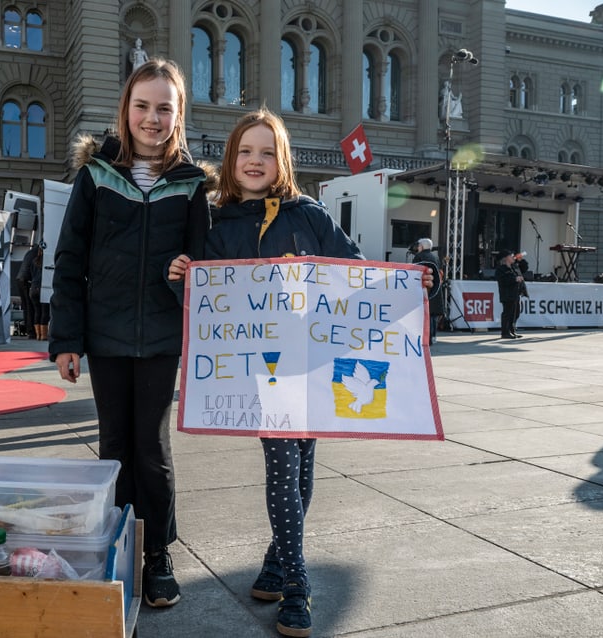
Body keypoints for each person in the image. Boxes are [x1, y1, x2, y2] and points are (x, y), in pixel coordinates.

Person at [168, 109, 432, 638]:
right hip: (260, 372)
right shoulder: (215, 223)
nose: (255, 161)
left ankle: (271, 563)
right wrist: (181, 279)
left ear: (281, 158)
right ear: (231, 158)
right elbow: (205, 306)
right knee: (284, 466)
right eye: (246, 151)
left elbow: (355, 273)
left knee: (303, 470)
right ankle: (296, 584)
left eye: (267, 152)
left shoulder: (310, 215)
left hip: (313, 365)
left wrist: (405, 284)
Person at [49, 58, 211, 609]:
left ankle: (158, 555)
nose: (152, 117)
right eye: (142, 106)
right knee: (114, 447)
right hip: (107, 336)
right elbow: (70, 259)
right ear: (126, 110)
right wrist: (67, 339)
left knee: (153, 450)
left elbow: (204, 270)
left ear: (179, 114)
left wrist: (181, 279)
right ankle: (116, 547)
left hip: (162, 339)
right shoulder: (95, 175)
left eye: (165, 107)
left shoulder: (192, 186)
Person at [410, 238, 444, 346]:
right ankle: (433, 337)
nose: (418, 247)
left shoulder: (419, 257)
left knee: (425, 315)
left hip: (424, 288)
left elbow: (414, 273)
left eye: (419, 245)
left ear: (422, 246)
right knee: (433, 315)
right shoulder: (436, 257)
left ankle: (426, 338)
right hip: (435, 289)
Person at [495, 249, 524, 339]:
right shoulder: (501, 269)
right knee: (507, 313)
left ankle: (512, 330)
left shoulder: (513, 267)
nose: (513, 257)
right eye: (511, 255)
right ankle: (505, 332)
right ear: (506, 258)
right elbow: (503, 281)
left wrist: (521, 260)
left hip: (515, 294)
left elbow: (524, 268)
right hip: (507, 294)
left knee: (516, 313)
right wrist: (514, 279)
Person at [16, 243, 39, 338]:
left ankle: (28, 329)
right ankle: (31, 331)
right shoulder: (38, 253)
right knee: (30, 306)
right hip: (27, 280)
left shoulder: (30, 252)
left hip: (20, 278)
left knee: (26, 306)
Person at [29, 244, 49, 340]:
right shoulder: (47, 261)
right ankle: (44, 335)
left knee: (37, 311)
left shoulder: (34, 261)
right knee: (45, 311)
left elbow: (31, 274)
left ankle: (38, 335)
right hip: (43, 287)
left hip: (33, 287)